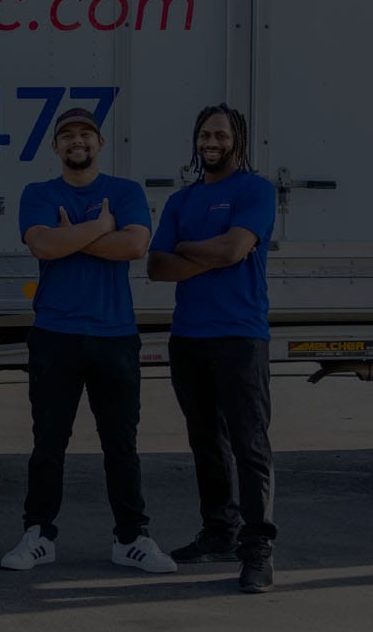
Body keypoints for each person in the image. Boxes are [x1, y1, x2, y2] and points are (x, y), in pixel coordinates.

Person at [0, 108, 176, 574]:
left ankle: (131, 539)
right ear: (55, 147)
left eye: (85, 134)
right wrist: (101, 228)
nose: (76, 141)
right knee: (48, 442)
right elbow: (42, 245)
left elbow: (135, 246)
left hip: (115, 335)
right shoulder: (39, 193)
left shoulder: (126, 191)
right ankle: (38, 535)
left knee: (121, 443)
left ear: (99, 143)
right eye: (66, 135)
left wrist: (71, 236)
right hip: (55, 334)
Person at [146, 103, 279, 593]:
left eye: (221, 135)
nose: (211, 142)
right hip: (190, 339)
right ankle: (220, 532)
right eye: (205, 134)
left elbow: (234, 250)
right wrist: (217, 252)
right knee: (206, 442)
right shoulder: (181, 201)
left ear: (237, 141)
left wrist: (192, 249)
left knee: (250, 444)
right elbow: (156, 267)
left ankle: (257, 548)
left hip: (240, 336)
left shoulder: (255, 190)